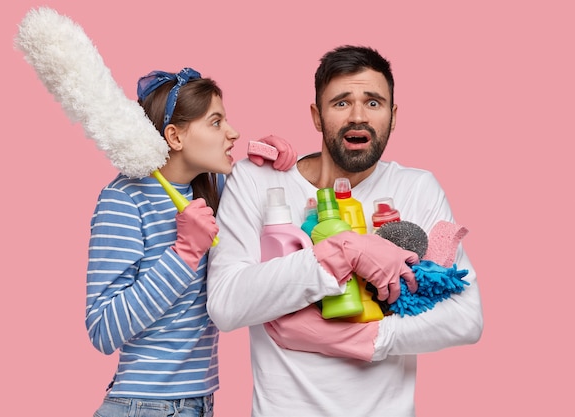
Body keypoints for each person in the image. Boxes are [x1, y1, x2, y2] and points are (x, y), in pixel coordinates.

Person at [206, 46, 484, 416]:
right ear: (316, 116)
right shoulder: (258, 179)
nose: (358, 117)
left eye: (373, 103)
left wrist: (364, 339)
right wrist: (339, 252)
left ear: (393, 115)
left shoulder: (418, 188)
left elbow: (466, 317)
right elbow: (225, 304)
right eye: (340, 103)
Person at [86, 68, 297, 417]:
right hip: (144, 406)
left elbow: (270, 230)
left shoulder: (214, 188)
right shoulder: (123, 200)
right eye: (216, 122)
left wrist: (270, 167)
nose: (232, 133)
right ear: (175, 136)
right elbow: (103, 329)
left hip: (198, 403)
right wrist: (184, 253)